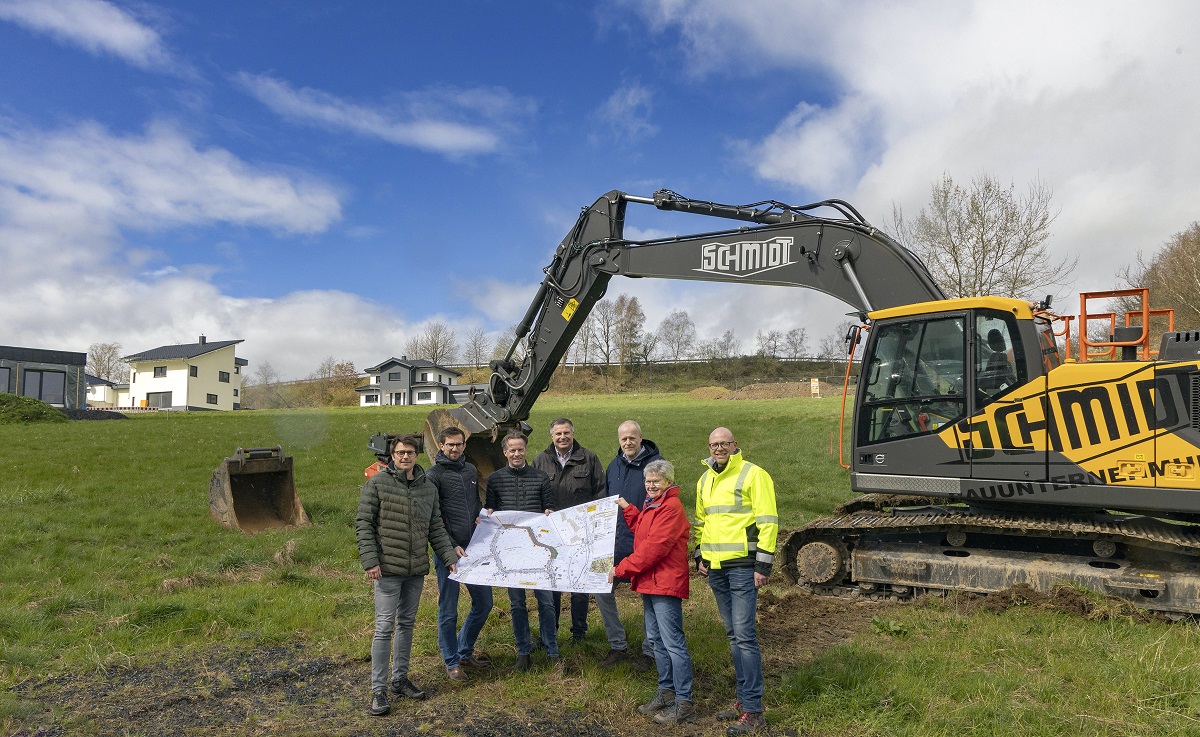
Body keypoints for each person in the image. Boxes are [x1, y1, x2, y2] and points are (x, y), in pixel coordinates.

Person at [356, 433, 464, 717]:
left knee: (406, 625)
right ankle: (378, 690)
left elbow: (436, 527)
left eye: (411, 453)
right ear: (392, 455)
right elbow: (364, 524)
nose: (405, 457)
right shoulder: (377, 483)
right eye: (400, 453)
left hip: (415, 570)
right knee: (383, 628)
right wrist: (370, 561)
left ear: (417, 456)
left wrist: (448, 557)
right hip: (387, 569)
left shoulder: (427, 487)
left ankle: (399, 679)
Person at [694, 427, 777, 736]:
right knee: (733, 635)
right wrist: (699, 555)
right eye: (714, 444)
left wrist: (763, 565)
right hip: (716, 568)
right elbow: (702, 521)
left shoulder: (754, 475)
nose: (719, 448)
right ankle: (743, 702)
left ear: (734, 445)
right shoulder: (704, 479)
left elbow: (768, 521)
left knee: (744, 636)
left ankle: (754, 711)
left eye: (724, 443)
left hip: (743, 567)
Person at [531, 417, 628, 663]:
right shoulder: (540, 460)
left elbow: (600, 492)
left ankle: (579, 632)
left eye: (566, 433)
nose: (562, 437)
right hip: (551, 534)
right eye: (557, 434)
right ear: (551, 436)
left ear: (573, 433)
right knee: (551, 583)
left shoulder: (589, 458)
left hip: (582, 532)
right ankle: (549, 632)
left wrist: (594, 525)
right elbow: (535, 494)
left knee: (580, 584)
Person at [612, 460, 695, 725]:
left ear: (668, 482)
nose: (651, 485)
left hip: (665, 583)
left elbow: (654, 548)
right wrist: (628, 508)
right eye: (648, 481)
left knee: (672, 642)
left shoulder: (671, 508)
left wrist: (620, 569)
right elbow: (643, 529)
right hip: (650, 582)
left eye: (656, 481)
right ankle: (666, 691)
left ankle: (684, 701)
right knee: (656, 640)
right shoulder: (652, 505)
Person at [485, 429, 558, 670]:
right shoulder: (495, 479)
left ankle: (551, 651)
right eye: (512, 450)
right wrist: (488, 516)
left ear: (526, 450)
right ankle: (523, 652)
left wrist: (548, 512)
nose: (517, 453)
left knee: (546, 602)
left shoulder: (540, 477)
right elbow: (490, 510)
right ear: (505, 452)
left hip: (538, 549)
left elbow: (549, 506)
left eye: (520, 449)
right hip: (511, 552)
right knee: (517, 604)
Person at [426, 426, 493, 682]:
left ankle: (464, 651)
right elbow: (434, 517)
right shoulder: (434, 475)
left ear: (465, 445)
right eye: (450, 445)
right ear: (441, 446)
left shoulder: (469, 471)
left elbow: (475, 503)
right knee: (449, 609)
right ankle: (451, 662)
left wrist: (482, 517)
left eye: (459, 444)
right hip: (449, 552)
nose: (455, 449)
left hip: (474, 549)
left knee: (484, 603)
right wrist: (450, 546)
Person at [604, 419, 663, 670]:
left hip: (644, 545)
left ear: (641, 438)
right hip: (615, 545)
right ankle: (618, 645)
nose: (628, 442)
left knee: (648, 599)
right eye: (623, 439)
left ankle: (650, 651)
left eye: (632, 438)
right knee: (602, 590)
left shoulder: (656, 467)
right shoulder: (612, 467)